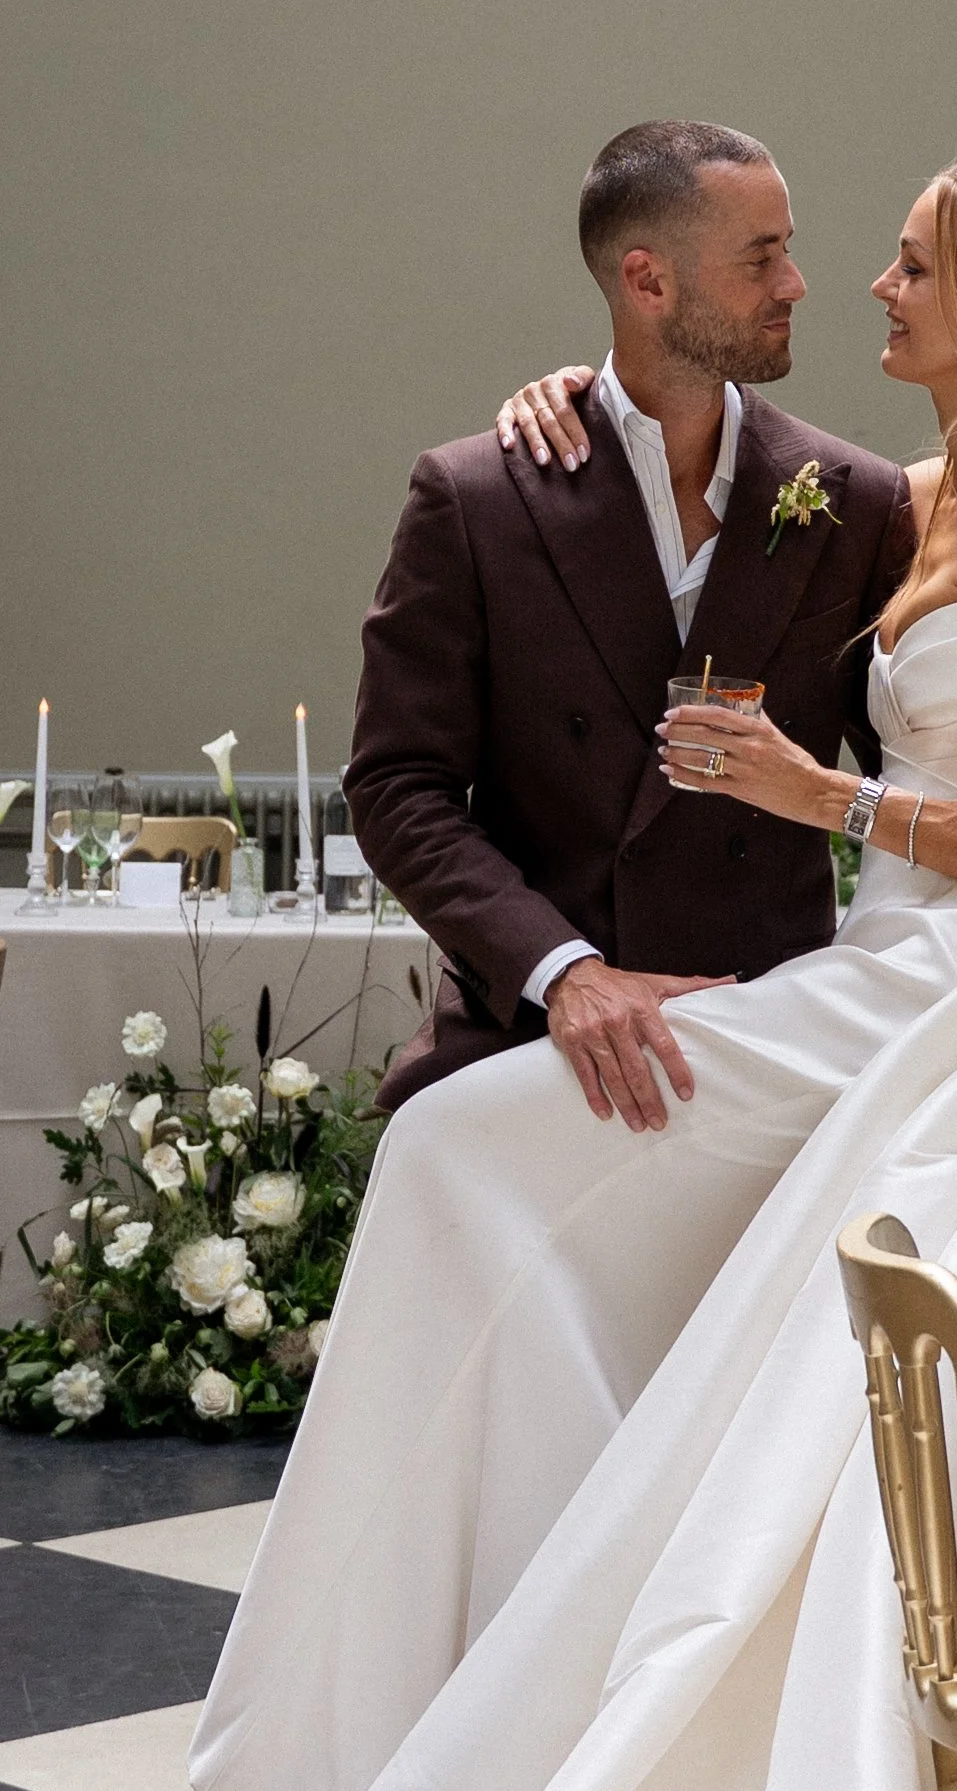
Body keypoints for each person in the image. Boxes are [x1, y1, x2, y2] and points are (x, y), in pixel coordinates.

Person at [191, 154, 957, 1791]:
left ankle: (392, 1720)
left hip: (918, 987)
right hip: (840, 967)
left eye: (893, 264)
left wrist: (825, 798)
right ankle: (402, 1714)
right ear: (647, 283)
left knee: (462, 1160)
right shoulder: (904, 491)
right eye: (798, 256)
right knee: (460, 1163)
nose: (845, 286)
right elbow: (433, 746)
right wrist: (569, 400)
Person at [346, 118, 917, 1120]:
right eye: (762, 256)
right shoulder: (477, 496)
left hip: (773, 1049)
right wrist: (564, 973)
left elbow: (914, 775)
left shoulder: (857, 502)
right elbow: (399, 785)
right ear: (649, 282)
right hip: (532, 1044)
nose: (796, 285)